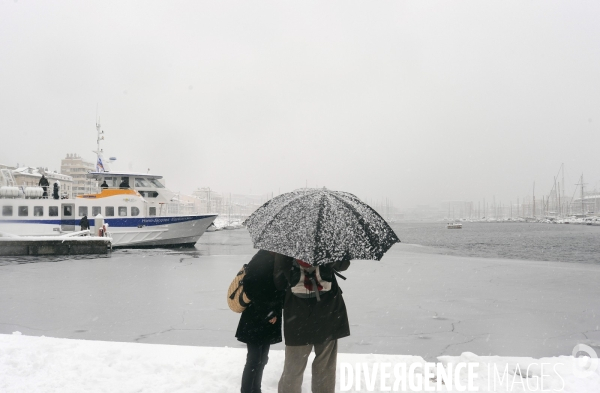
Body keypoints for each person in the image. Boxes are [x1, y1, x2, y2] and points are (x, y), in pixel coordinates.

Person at [274, 255, 351, 393]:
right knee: (325, 366)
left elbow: (278, 281)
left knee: (293, 368)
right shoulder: (327, 241)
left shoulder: (286, 245)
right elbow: (344, 265)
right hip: (327, 311)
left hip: (296, 315)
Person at [236, 250, 284, 393]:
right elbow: (251, 287)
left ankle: (256, 389)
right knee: (254, 359)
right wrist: (268, 312)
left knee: (262, 359)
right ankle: (247, 391)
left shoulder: (275, 259)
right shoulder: (262, 259)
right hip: (256, 317)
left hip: (268, 318)